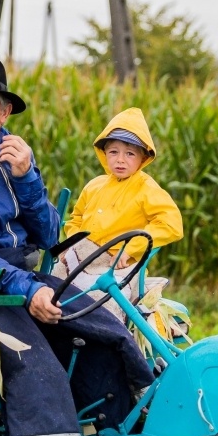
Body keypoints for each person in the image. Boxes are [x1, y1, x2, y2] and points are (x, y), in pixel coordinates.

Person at [0, 51, 155, 436]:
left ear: (4, 112)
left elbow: (47, 234)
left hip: (6, 274)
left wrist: (26, 177)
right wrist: (28, 289)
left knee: (102, 331)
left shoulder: (13, 154)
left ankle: (124, 422)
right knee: (37, 369)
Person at [53, 107, 184, 320]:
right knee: (50, 292)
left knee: (104, 305)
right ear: (104, 154)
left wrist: (130, 248)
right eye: (113, 152)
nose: (120, 160)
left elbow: (171, 224)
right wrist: (71, 245)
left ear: (143, 158)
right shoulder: (94, 186)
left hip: (117, 265)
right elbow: (75, 219)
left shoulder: (146, 188)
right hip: (82, 257)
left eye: (130, 153)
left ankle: (107, 341)